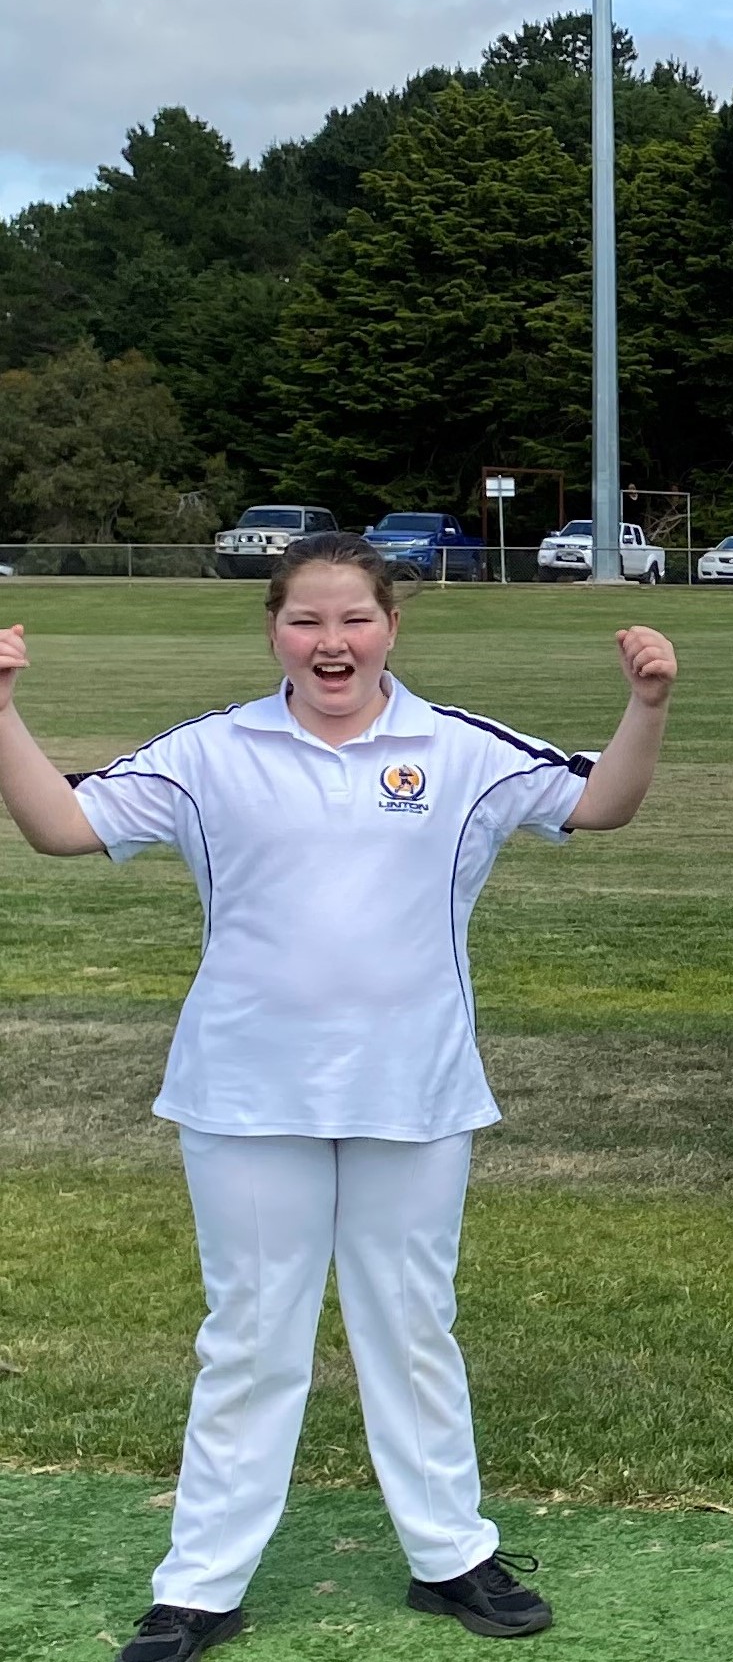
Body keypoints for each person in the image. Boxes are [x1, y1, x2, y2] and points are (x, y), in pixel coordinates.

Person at [0, 534, 675, 1662]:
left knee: (411, 1326)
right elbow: (62, 827)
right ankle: (200, 1586)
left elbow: (600, 806)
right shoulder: (214, 752)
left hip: (414, 1090)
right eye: (306, 621)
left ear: (391, 628)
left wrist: (645, 703)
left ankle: (449, 1553)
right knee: (252, 1337)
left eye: (353, 619)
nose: (331, 642)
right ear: (274, 629)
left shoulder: (458, 749)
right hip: (243, 1091)